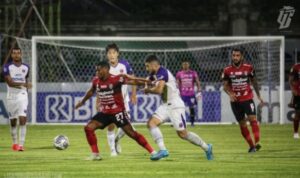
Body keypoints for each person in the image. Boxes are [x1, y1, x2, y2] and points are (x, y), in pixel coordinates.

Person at [130, 54, 213, 161]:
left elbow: (159, 90)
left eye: (147, 66)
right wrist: (145, 85)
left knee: (183, 134)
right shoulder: (154, 74)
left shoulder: (163, 72)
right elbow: (147, 81)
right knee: (151, 123)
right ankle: (163, 150)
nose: (146, 69)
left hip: (175, 105)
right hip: (165, 105)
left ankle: (207, 147)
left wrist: (148, 90)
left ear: (153, 65)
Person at [75, 61, 155, 160]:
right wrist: (82, 102)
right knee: (88, 128)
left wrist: (148, 82)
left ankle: (153, 152)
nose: (97, 72)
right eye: (96, 70)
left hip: (118, 113)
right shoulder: (96, 81)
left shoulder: (116, 79)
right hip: (105, 113)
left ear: (106, 69)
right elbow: (91, 91)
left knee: (132, 134)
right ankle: (95, 154)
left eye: (99, 70)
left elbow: (133, 81)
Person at [222, 48, 263, 153]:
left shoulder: (249, 68)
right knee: (242, 124)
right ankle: (252, 146)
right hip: (235, 102)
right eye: (234, 55)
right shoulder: (227, 70)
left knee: (253, 119)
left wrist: (258, 95)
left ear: (241, 56)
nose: (235, 57)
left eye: (237, 55)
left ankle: (257, 142)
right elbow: (225, 86)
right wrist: (230, 93)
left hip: (247, 98)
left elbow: (254, 81)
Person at [103, 43, 137, 156]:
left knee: (127, 125)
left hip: (123, 101)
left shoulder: (124, 65)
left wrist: (133, 94)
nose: (112, 55)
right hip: (110, 101)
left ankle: (117, 140)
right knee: (111, 124)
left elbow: (133, 79)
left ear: (117, 53)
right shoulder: (104, 68)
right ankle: (112, 151)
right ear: (107, 55)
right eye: (109, 53)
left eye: (114, 52)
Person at [2, 47, 32, 151]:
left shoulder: (26, 67)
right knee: (13, 121)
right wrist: (24, 84)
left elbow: (26, 80)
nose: (16, 55)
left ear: (21, 54)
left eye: (18, 53)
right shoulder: (7, 67)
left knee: (23, 118)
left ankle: (21, 145)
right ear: (12, 55)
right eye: (14, 53)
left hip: (22, 95)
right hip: (11, 96)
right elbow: (10, 83)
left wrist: (26, 91)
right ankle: (14, 143)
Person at [176, 59, 201, 126]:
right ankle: (180, 122)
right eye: (184, 64)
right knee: (180, 108)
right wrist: (177, 91)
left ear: (189, 65)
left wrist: (199, 90)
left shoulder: (193, 73)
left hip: (191, 94)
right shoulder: (179, 73)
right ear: (182, 65)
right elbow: (177, 83)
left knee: (191, 108)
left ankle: (192, 123)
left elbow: (197, 81)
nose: (185, 65)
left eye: (186, 64)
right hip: (183, 94)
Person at [289, 63, 300, 139]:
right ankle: (296, 133)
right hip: (298, 93)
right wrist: (293, 90)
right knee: (298, 113)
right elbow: (290, 80)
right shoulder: (296, 67)